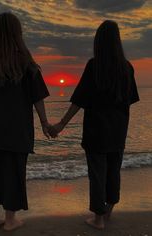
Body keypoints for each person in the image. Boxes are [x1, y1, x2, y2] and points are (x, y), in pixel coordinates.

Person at [49, 20, 140, 229]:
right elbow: (130, 101)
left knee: (98, 174)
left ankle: (98, 219)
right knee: (113, 171)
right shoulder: (127, 68)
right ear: (118, 41)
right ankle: (107, 212)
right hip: (118, 132)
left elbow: (79, 100)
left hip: (96, 131)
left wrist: (61, 124)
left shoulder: (94, 66)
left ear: (98, 42)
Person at [0, 12, 50, 231]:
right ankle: (11, 219)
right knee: (13, 172)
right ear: (18, 33)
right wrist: (45, 123)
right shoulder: (25, 61)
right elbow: (37, 97)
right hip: (16, 129)